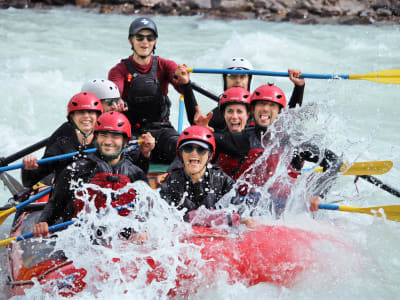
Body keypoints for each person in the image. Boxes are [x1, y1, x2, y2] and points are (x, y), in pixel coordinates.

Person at [200, 84, 342, 216]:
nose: (266, 109)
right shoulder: (241, 139)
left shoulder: (296, 142)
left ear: (281, 112)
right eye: (261, 104)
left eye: (272, 106)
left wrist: (318, 194)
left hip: (283, 212)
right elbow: (192, 144)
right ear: (252, 110)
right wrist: (201, 131)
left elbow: (334, 161)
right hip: (242, 209)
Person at [33, 111, 148, 241]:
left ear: (125, 141)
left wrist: (143, 230)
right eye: (103, 135)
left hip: (122, 242)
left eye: (115, 136)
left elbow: (146, 212)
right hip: (80, 240)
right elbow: (55, 205)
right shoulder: (76, 170)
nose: (108, 141)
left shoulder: (135, 174)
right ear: (96, 138)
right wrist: (43, 223)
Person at [108, 17, 182, 164]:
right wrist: (116, 101)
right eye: (140, 37)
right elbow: (115, 90)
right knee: (125, 158)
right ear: (131, 40)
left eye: (150, 38)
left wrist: (183, 80)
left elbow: (182, 87)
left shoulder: (166, 65)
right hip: (132, 134)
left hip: (163, 131)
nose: (145, 42)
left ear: (155, 41)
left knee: (184, 148)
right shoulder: (118, 70)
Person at [160, 125, 257, 228]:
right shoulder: (172, 183)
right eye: (188, 148)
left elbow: (241, 214)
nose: (194, 153)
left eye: (201, 149)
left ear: (209, 155)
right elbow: (162, 217)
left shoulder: (223, 181)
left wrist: (246, 221)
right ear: (181, 154)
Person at [175, 57, 305, 132]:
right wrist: (186, 85)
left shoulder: (261, 109)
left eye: (242, 77)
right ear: (224, 80)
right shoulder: (219, 114)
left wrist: (299, 87)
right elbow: (196, 127)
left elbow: (289, 122)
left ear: (249, 80)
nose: (237, 81)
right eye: (232, 76)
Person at [22, 92, 103, 187]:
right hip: (66, 197)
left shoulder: (108, 142)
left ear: (98, 117)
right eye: (80, 112)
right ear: (71, 117)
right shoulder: (61, 146)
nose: (86, 116)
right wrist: (29, 167)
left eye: (90, 112)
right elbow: (29, 182)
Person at [81, 79, 156, 172]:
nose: (115, 106)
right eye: (109, 102)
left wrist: (145, 154)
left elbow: (138, 171)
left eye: (117, 101)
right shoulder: (71, 132)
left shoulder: (118, 127)